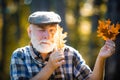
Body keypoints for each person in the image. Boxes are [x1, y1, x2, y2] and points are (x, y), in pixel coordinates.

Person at [10, 11, 115, 80]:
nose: (47, 36)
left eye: (51, 30)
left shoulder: (70, 54)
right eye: (41, 30)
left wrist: (101, 58)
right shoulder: (20, 55)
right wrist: (50, 67)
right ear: (30, 32)